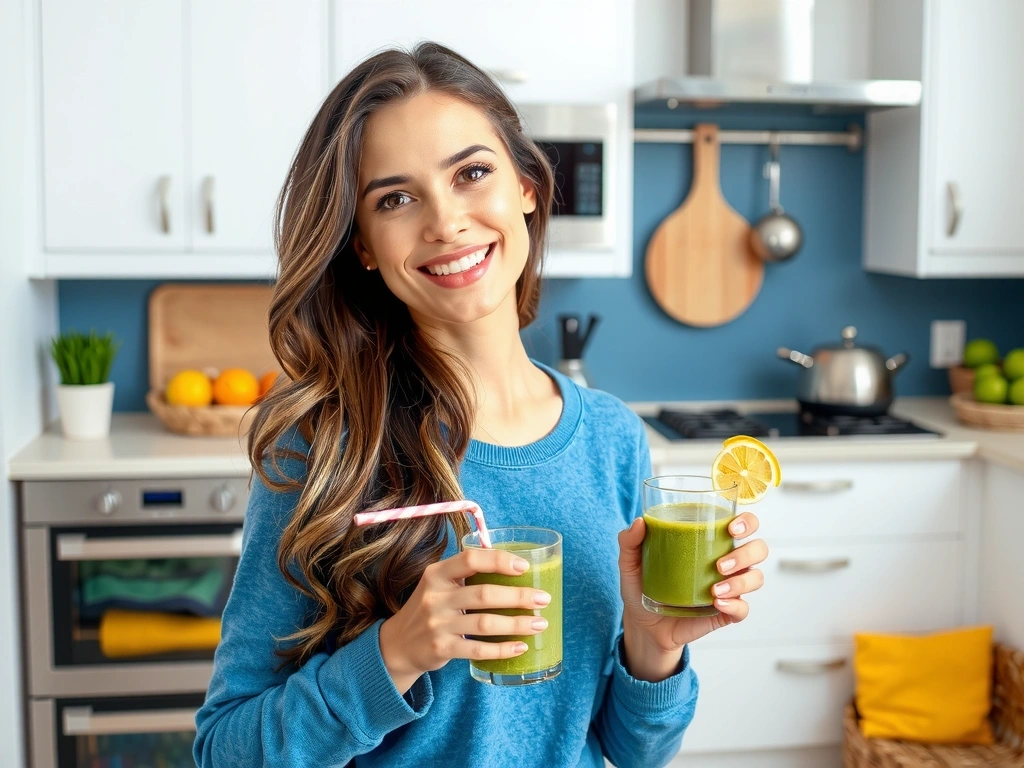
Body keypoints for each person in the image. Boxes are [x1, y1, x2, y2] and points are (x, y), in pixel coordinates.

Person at [193, 41, 768, 768]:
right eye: (395, 199)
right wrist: (396, 653)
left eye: (472, 173)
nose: (445, 223)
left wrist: (654, 644)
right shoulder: (325, 447)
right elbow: (225, 750)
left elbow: (635, 750)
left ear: (526, 185)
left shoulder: (613, 441)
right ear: (364, 245)